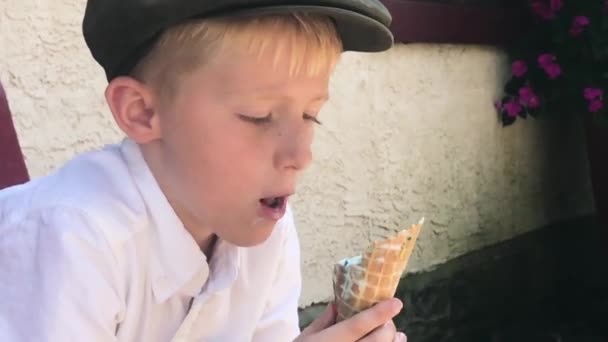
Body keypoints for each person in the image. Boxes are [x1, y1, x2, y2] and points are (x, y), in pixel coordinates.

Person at [0, 0, 407, 341]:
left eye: (310, 115)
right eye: (259, 116)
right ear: (142, 112)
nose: (301, 155)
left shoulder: (266, 232)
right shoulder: (72, 238)